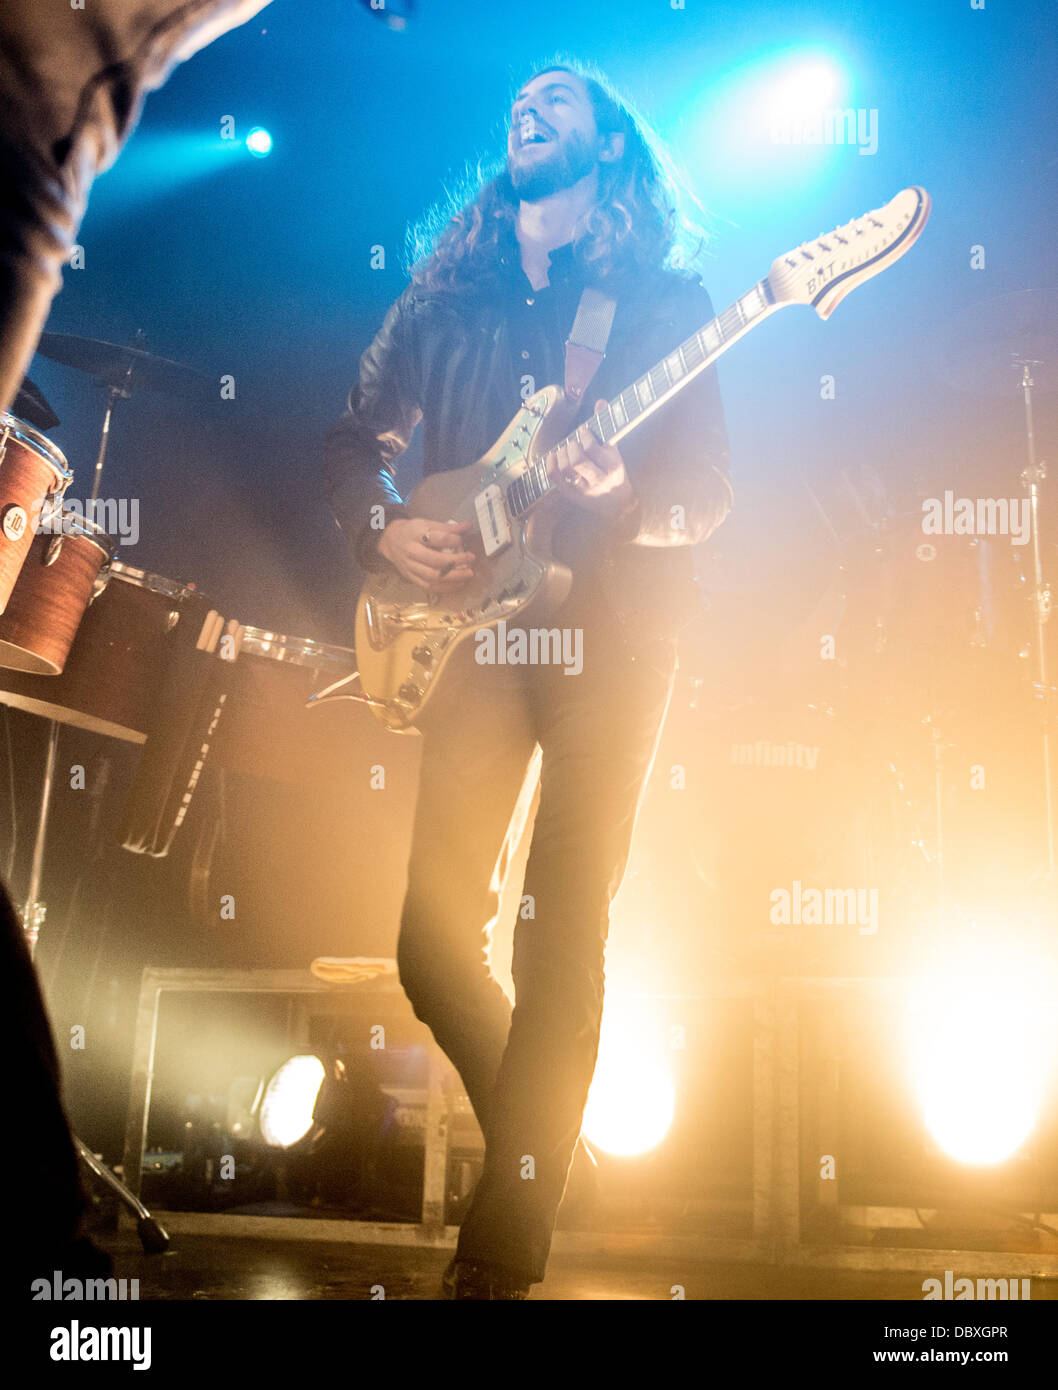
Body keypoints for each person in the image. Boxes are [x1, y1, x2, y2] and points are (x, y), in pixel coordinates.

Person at [323, 57, 733, 1299]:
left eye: (559, 101)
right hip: (474, 632)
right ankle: (543, 1153)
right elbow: (353, 441)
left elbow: (706, 497)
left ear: (610, 147)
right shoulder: (443, 302)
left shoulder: (666, 303)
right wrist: (378, 524)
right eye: (519, 101)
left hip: (611, 634)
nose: (527, 108)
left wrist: (627, 496)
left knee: (561, 929)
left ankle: (498, 1253)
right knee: (431, 943)